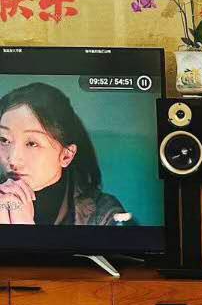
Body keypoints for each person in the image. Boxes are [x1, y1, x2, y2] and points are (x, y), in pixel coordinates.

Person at [0, 82, 128, 226]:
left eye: (32, 143)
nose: (13, 160)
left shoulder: (104, 214)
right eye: (4, 140)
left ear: (66, 156)